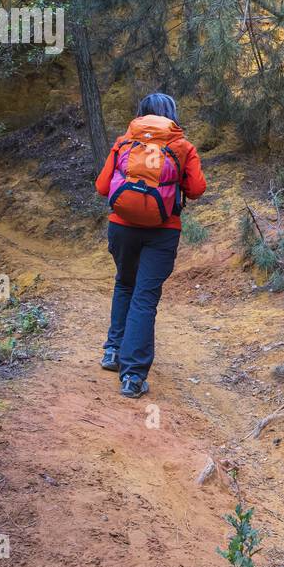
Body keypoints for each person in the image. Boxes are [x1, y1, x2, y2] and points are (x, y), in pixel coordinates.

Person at [94, 93, 206, 398]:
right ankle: (132, 377)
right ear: (171, 116)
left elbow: (103, 187)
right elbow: (196, 190)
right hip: (162, 231)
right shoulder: (182, 146)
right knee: (144, 297)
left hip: (122, 227)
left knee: (125, 284)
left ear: (141, 114)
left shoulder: (124, 142)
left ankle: (112, 352)